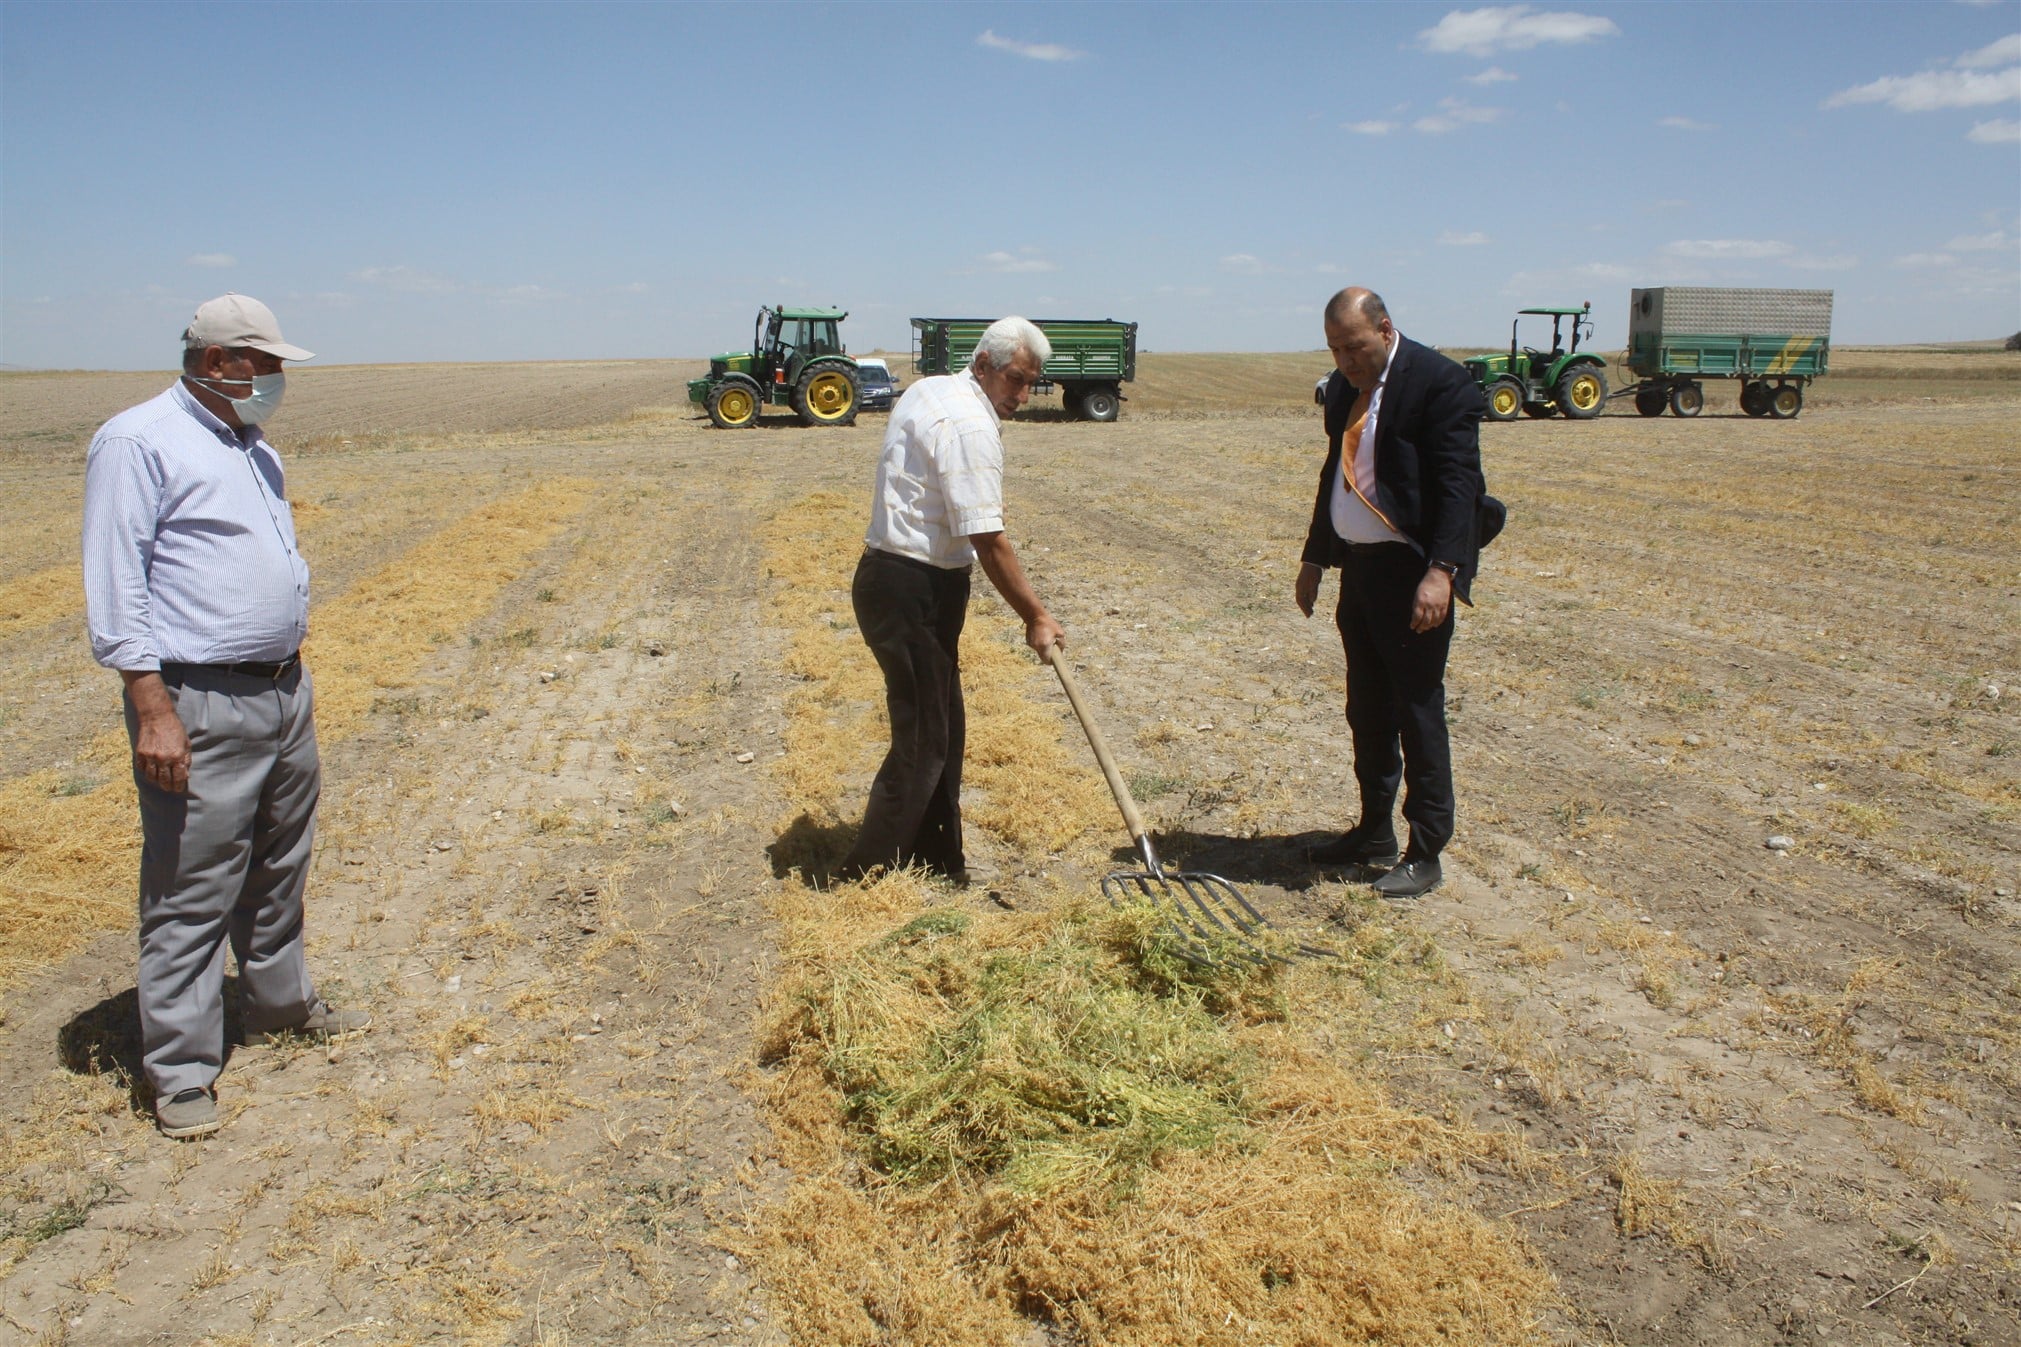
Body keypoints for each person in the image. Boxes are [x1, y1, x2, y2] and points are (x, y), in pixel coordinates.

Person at [82, 294, 369, 1139]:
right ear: (219, 363)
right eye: (267, 362)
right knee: (191, 881)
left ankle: (278, 1005)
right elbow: (117, 582)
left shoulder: (252, 447)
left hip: (281, 690)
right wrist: (151, 707)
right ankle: (180, 1069)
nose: (277, 378)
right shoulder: (138, 441)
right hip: (197, 698)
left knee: (281, 859)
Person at [835, 316, 1065, 886]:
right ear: (983, 366)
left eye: (1031, 383)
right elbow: (988, 539)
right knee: (921, 740)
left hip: (916, 584)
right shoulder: (969, 426)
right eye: (1014, 379)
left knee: (944, 727)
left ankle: (939, 860)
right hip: (907, 586)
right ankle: (863, 876)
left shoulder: (931, 388)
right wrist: (1035, 615)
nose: (1022, 395)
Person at [1295, 288, 1490, 900]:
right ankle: (1374, 831)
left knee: (1417, 710)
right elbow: (1338, 473)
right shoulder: (1346, 389)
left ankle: (1425, 849)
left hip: (1414, 576)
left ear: (1385, 329)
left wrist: (1443, 571)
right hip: (1361, 572)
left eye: (1353, 347)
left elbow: (1461, 488)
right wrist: (1315, 557)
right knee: (1368, 709)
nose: (1346, 361)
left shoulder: (1440, 384)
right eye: (1335, 350)